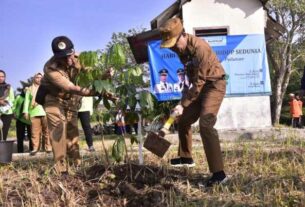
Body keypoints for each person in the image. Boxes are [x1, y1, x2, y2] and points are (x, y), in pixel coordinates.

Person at [159, 17, 227, 187]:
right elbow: (191, 80)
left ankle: (219, 175)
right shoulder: (182, 51)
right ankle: (186, 157)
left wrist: (183, 104)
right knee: (183, 119)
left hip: (214, 85)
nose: (174, 49)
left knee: (205, 125)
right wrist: (181, 103)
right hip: (199, 86)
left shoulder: (200, 47)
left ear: (183, 35)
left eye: (175, 44)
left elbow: (200, 81)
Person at [40, 36, 115, 174]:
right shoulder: (50, 68)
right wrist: (98, 93)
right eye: (63, 57)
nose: (68, 60)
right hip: (53, 98)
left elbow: (93, 75)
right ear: (56, 56)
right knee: (58, 128)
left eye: (69, 55)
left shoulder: (81, 58)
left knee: (72, 130)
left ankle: (76, 164)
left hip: (72, 100)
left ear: (73, 51)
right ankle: (61, 169)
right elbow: (71, 88)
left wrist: (106, 75)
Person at [23, 72, 52, 155]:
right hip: (34, 112)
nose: (39, 79)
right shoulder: (29, 89)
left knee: (47, 131)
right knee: (34, 132)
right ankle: (35, 148)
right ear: (34, 79)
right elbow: (26, 101)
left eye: (40, 77)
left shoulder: (45, 88)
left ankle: (48, 147)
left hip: (45, 112)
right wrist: (25, 111)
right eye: (37, 77)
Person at [13, 87, 32, 153]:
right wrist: (14, 113)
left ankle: (32, 150)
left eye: (28, 89)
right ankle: (20, 152)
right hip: (20, 119)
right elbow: (14, 106)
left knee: (31, 136)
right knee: (20, 137)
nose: (26, 90)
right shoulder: (19, 97)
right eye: (25, 89)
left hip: (29, 120)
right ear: (23, 90)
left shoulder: (31, 98)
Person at [0, 70, 15, 141]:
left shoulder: (9, 87)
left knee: (4, 132)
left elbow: (12, 100)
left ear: (5, 77)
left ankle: (2, 150)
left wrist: (4, 103)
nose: (1, 78)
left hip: (7, 112)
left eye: (2, 76)